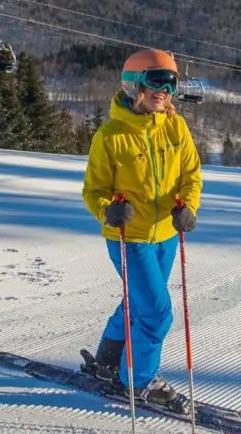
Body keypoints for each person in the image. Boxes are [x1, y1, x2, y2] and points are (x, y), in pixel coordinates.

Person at [80, 48, 203, 411]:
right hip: (129, 238)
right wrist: (108, 210)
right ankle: (141, 383)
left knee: (139, 303)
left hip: (165, 234)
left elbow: (190, 175)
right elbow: (94, 191)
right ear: (134, 85)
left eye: (171, 83)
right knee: (156, 313)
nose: (163, 90)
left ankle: (107, 362)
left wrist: (188, 206)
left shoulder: (176, 127)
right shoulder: (111, 135)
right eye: (155, 81)